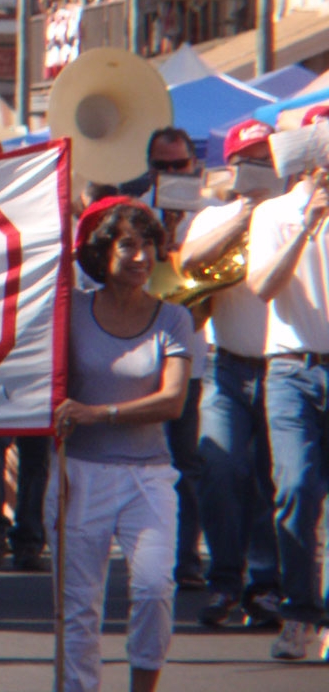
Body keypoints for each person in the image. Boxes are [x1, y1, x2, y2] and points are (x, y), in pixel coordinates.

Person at [51, 196, 194, 692]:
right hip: (79, 473)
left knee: (155, 588)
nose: (140, 257)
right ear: (100, 253)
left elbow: (172, 401)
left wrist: (98, 413)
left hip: (149, 476)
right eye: (127, 245)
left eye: (148, 244)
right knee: (78, 605)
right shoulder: (69, 314)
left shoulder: (174, 318)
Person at [177, 121, 283, 626]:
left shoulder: (293, 215)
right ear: (233, 165)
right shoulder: (214, 216)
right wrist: (244, 213)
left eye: (266, 156)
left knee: (269, 480)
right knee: (220, 471)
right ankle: (225, 581)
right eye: (249, 158)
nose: (260, 165)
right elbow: (191, 262)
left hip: (280, 365)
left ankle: (264, 586)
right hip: (226, 364)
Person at [246, 128, 329, 661]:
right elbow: (263, 287)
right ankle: (301, 614)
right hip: (291, 368)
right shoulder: (273, 214)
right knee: (296, 487)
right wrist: (308, 226)